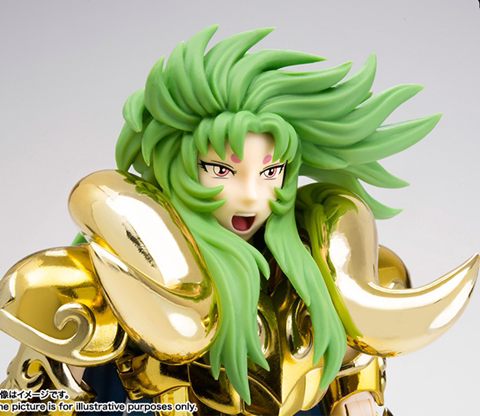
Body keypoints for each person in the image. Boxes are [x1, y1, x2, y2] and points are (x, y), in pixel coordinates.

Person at [0, 26, 477, 416]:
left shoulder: (316, 272)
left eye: (270, 172)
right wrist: (79, 383)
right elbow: (25, 404)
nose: (250, 195)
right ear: (180, 165)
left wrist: (355, 387)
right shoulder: (112, 274)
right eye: (222, 170)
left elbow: (354, 386)